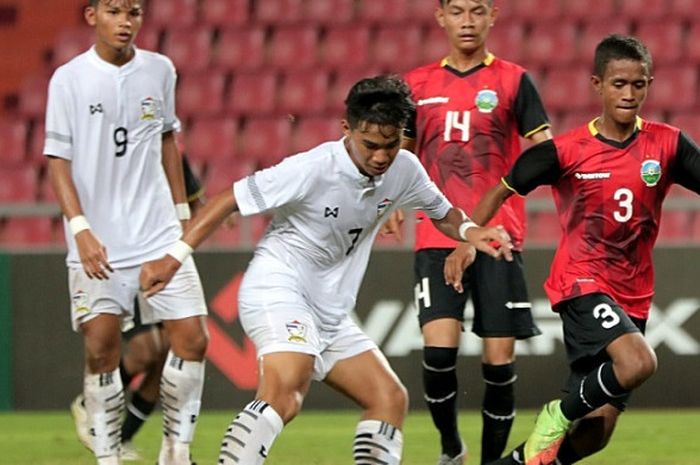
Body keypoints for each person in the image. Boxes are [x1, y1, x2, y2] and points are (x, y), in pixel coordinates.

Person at [139, 75, 514, 465]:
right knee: (287, 390)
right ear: (346, 129)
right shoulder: (313, 167)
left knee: (388, 399)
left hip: (330, 310)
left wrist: (473, 231)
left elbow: (444, 214)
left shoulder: (404, 168)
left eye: (390, 145)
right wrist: (173, 257)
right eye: (370, 145)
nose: (381, 157)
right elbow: (228, 198)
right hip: (279, 286)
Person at [468, 34, 700, 465]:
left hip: (633, 295)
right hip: (582, 280)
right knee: (638, 363)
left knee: (596, 432)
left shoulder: (667, 144)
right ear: (597, 84)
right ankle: (556, 414)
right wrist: (464, 240)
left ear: (649, 84)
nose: (629, 94)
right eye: (618, 84)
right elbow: (500, 190)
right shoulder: (565, 151)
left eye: (638, 84)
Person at [44, 1, 208, 464]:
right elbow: (58, 160)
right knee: (102, 352)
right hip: (99, 240)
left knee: (193, 338)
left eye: (134, 12)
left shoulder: (160, 69)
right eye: (115, 11)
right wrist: (80, 229)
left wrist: (180, 212)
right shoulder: (69, 79)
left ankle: (176, 452)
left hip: (157, 232)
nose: (126, 21)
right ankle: (107, 458)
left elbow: (168, 139)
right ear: (91, 15)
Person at [391, 1, 552, 464]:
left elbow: (544, 151)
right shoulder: (416, 85)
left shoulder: (514, 80)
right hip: (437, 236)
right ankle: (450, 449)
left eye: (477, 10)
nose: (467, 20)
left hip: (498, 238)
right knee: (439, 355)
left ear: (492, 16)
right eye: (457, 10)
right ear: (440, 16)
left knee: (498, 361)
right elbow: (400, 153)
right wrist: (393, 203)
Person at [70, 156, 206, 461]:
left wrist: (198, 212)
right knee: (149, 348)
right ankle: (89, 405)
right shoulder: (124, 149)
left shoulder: (165, 148)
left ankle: (133, 440)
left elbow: (190, 191)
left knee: (168, 356)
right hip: (135, 250)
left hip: (165, 247)